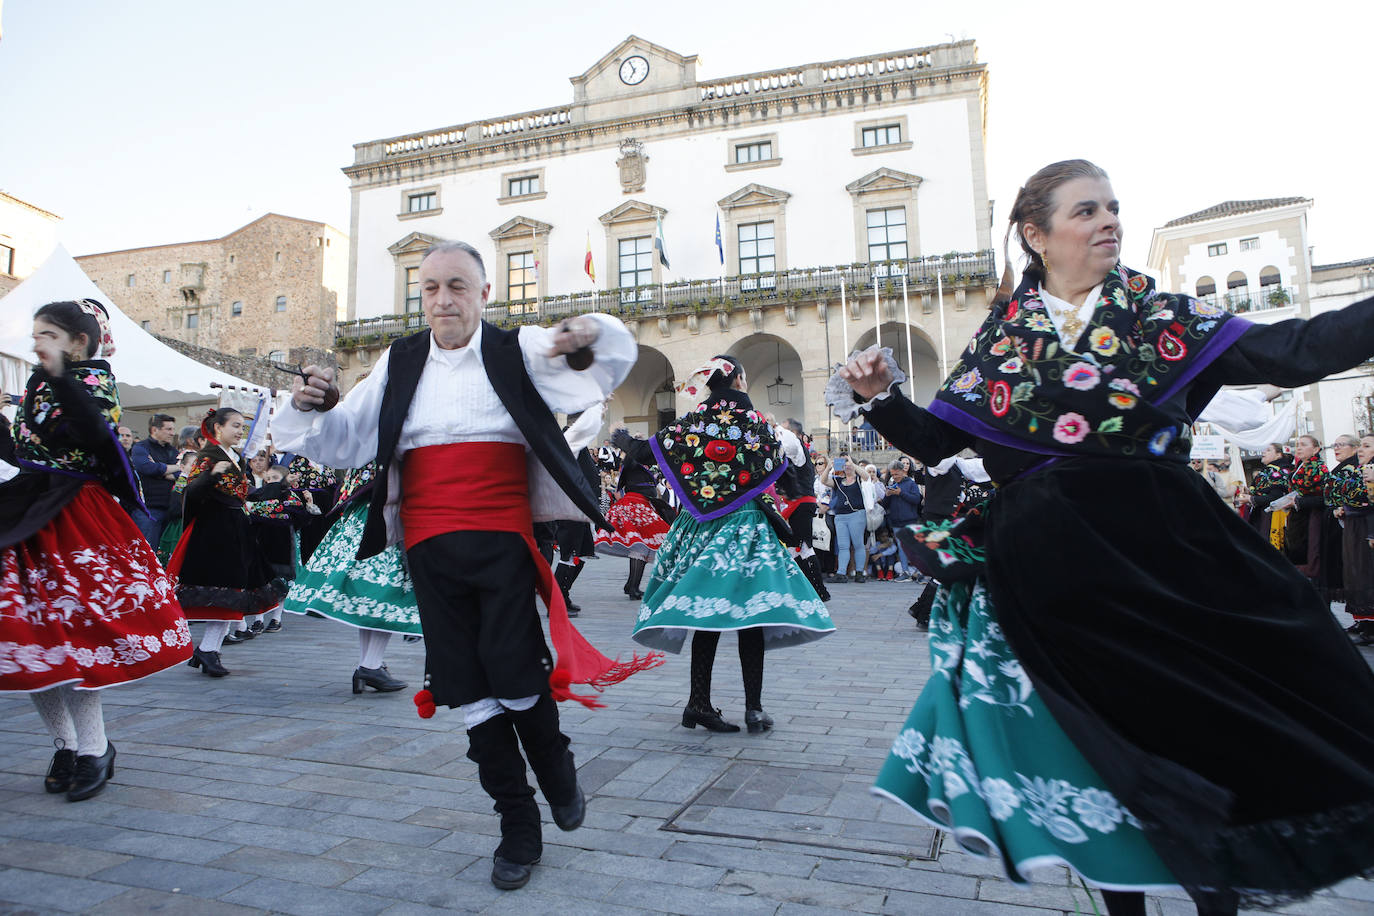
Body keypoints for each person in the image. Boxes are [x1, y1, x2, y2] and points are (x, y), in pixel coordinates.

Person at [835, 159, 1374, 915]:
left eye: (1113, 208)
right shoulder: (1004, 337)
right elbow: (934, 440)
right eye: (1086, 210)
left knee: (1202, 738)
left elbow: (1297, 349)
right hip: (1053, 577)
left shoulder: (1164, 320)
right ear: (1036, 232)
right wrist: (879, 398)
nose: (1108, 221)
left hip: (1168, 560)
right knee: (1101, 758)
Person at [271, 239, 658, 892]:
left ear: (484, 294)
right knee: (464, 682)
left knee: (511, 668)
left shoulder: (518, 349)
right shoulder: (399, 362)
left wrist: (588, 332)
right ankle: (517, 820)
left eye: (457, 286)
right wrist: (313, 407)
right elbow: (345, 442)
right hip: (427, 544)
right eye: (430, 288)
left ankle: (555, 766)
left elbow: (603, 369)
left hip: (502, 537)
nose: (443, 299)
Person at [0, 299, 191, 801]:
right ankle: (66, 744)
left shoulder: (93, 380)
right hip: (26, 510)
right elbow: (24, 449)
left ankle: (94, 746)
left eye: (47, 333)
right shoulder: (39, 383)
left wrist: (60, 375)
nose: (36, 342)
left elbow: (91, 433)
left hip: (75, 515)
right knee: (33, 639)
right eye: (35, 332)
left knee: (75, 637)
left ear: (78, 343)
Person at [626, 356, 834, 733]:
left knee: (706, 612)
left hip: (701, 526)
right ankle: (753, 709)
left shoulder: (693, 422)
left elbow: (647, 453)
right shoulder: (754, 423)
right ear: (739, 378)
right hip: (745, 526)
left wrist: (623, 440)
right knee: (751, 615)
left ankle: (698, 703)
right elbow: (784, 461)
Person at [169, 408, 289, 676]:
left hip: (234, 528)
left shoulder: (234, 458)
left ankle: (209, 649)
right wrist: (211, 475)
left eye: (241, 427)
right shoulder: (209, 456)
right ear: (218, 428)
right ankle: (208, 649)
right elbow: (190, 492)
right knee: (226, 590)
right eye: (234, 425)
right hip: (215, 531)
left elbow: (243, 495)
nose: (239, 431)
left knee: (233, 590)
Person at [284, 461, 417, 691]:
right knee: (384, 592)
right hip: (383, 517)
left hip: (364, 515)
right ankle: (371, 666)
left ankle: (369, 664)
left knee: (370, 597)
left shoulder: (367, 440)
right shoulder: (386, 437)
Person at [598, 431, 672, 599]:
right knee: (641, 546)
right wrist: (631, 444)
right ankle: (632, 586)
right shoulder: (631, 461)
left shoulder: (639, 463)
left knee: (641, 547)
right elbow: (633, 457)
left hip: (644, 504)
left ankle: (632, 585)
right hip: (635, 505)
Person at [1327, 434, 1374, 644]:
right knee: (1356, 573)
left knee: (1366, 573)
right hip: (1354, 525)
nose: (1361, 450)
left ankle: (1370, 624)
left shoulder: (1369, 471)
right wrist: (1342, 508)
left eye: (1366, 446)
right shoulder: (1358, 471)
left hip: (1366, 525)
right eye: (1361, 446)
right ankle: (1363, 620)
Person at [776, 418, 830, 600]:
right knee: (794, 547)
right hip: (797, 504)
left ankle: (819, 591)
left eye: (784, 430)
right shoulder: (792, 453)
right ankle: (804, 588)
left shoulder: (796, 447)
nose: (780, 433)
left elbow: (786, 442)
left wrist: (771, 425)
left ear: (795, 434)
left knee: (804, 547)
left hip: (801, 503)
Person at [128, 413, 179, 545]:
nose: (172, 433)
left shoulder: (173, 451)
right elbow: (146, 468)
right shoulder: (141, 447)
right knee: (147, 553)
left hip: (169, 510)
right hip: (148, 510)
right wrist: (175, 467)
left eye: (173, 429)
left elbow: (182, 473)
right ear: (155, 430)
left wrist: (159, 469)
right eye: (168, 429)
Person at [826, 457, 870, 583]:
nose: (847, 466)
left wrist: (853, 464)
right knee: (843, 546)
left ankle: (860, 573)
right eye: (845, 465)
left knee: (858, 544)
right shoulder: (838, 481)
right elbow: (824, 480)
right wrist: (829, 467)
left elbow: (866, 476)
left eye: (849, 464)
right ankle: (841, 573)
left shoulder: (859, 480)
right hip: (840, 517)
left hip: (856, 514)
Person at [1245, 443, 1292, 551]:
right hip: (1263, 515)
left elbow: (1276, 497)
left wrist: (1251, 499)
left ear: (1278, 455)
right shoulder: (1270, 470)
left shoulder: (1278, 471)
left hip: (1272, 517)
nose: (1263, 452)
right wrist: (1250, 493)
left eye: (1268, 450)